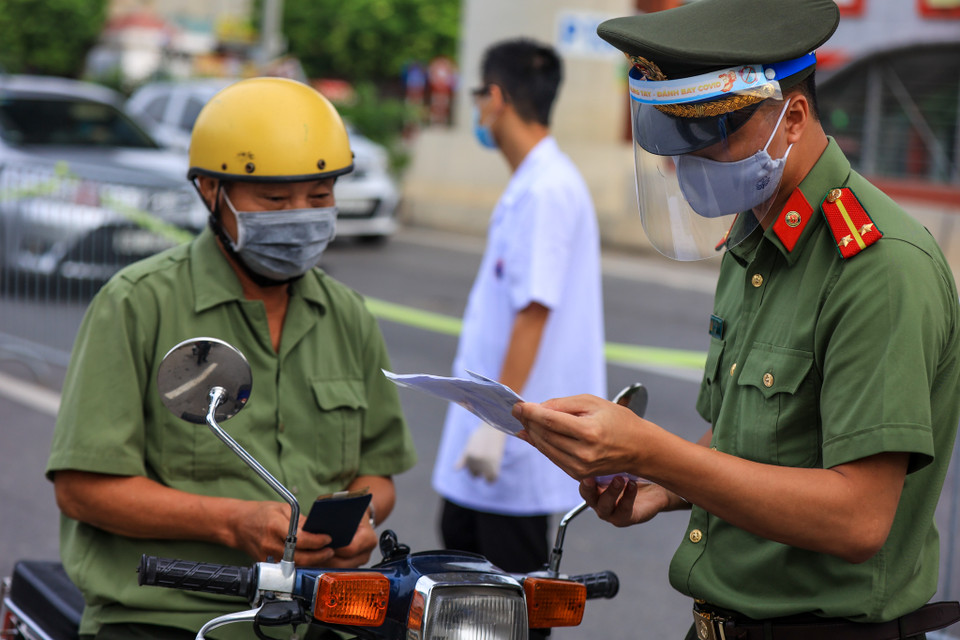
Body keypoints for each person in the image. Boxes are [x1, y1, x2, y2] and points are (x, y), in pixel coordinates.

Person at [511, 1, 960, 639]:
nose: (682, 163)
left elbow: (858, 520)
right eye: (674, 140)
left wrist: (652, 450)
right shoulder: (757, 232)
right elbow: (750, 439)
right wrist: (660, 483)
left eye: (710, 135)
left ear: (793, 118)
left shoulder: (877, 267)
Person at [46, 77, 418, 640]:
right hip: (165, 615)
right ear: (209, 191)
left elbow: (378, 472)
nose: (301, 214)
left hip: (319, 617)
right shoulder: (136, 303)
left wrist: (362, 521)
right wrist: (231, 522)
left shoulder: (347, 315)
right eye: (274, 199)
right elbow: (82, 487)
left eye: (320, 196)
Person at [431, 38, 606, 578]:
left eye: (479, 93)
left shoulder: (547, 189)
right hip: (498, 431)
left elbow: (534, 312)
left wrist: (497, 425)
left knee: (506, 599)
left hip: (513, 439)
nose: (478, 107)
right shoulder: (534, 182)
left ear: (498, 98)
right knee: (460, 565)